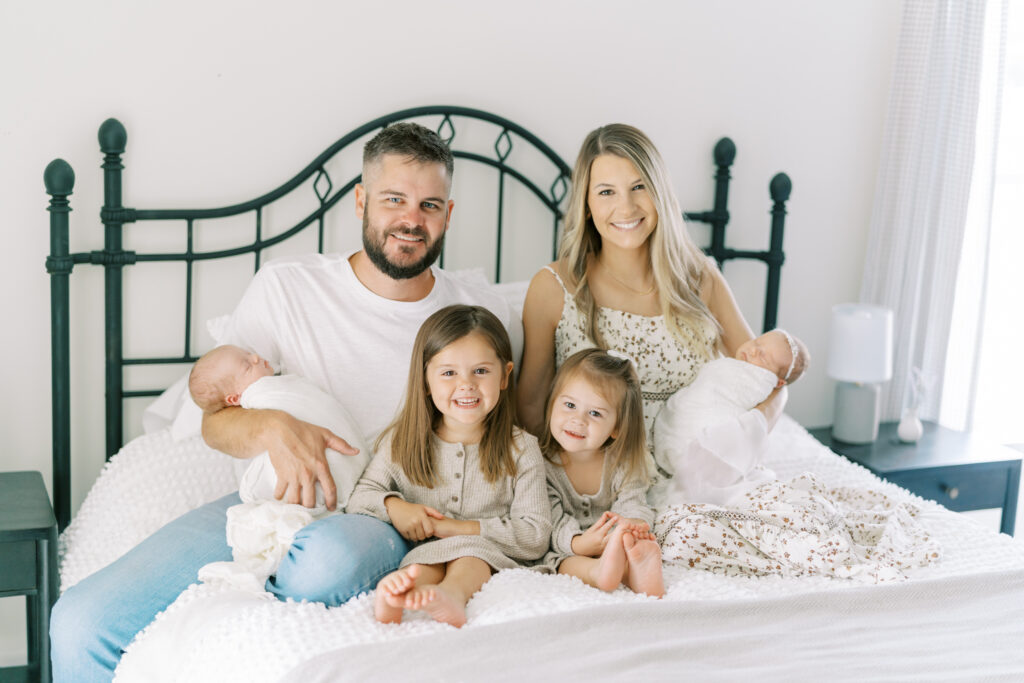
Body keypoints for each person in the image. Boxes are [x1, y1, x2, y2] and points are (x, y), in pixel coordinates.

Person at [51, 122, 522, 681]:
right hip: (272, 506)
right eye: (394, 199)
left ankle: (256, 603)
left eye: (430, 204)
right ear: (361, 201)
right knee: (81, 621)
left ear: (448, 212)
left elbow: (520, 431)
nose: (411, 220)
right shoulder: (288, 287)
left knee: (326, 563)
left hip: (388, 514)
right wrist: (273, 427)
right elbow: (216, 422)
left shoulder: (480, 313)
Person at [517, 123, 786, 485]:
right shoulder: (553, 287)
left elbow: (767, 381)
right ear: (587, 203)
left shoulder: (701, 279)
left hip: (698, 475)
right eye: (606, 191)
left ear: (660, 192)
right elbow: (530, 411)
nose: (625, 207)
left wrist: (742, 439)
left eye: (639, 187)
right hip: (598, 485)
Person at [347, 305, 550, 627]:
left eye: (481, 371)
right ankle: (399, 595)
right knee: (422, 564)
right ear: (425, 380)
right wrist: (394, 506)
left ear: (505, 376)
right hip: (426, 552)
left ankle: (452, 596)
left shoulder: (522, 448)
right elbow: (360, 498)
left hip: (486, 553)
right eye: (448, 373)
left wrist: (455, 529)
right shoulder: (404, 441)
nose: (466, 384)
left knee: (469, 556)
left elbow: (535, 534)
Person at [535, 348, 664, 597]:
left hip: (614, 541)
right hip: (569, 545)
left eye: (595, 413)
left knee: (629, 546)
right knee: (562, 563)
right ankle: (599, 573)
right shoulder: (540, 465)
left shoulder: (623, 463)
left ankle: (635, 570)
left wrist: (631, 527)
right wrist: (580, 543)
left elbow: (634, 503)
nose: (578, 420)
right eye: (570, 405)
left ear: (616, 427)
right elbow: (550, 522)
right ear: (552, 405)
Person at [187, 344, 370, 514]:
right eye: (247, 366)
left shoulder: (286, 384)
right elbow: (211, 425)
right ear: (234, 399)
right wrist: (274, 425)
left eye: (250, 354)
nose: (256, 357)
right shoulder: (256, 395)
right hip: (319, 486)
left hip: (369, 480)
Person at [654, 329, 809, 506]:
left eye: (764, 357)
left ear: (778, 382)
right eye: (757, 342)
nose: (753, 351)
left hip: (705, 445)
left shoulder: (760, 381)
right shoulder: (733, 363)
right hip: (682, 423)